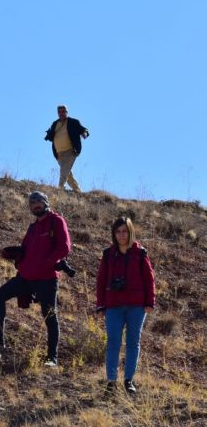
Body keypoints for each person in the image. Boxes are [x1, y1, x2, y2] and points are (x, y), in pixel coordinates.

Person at [0, 191, 71, 367]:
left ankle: (52, 357)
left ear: (46, 203)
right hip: (25, 278)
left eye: (38, 201)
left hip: (47, 279)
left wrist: (47, 262)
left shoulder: (56, 221)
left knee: (50, 316)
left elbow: (65, 247)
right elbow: (25, 250)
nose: (35, 205)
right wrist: (17, 257)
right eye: (32, 203)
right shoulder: (33, 227)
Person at [96, 217, 155, 395]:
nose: (121, 235)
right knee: (113, 342)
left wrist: (149, 302)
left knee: (133, 342)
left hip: (136, 306)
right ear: (114, 234)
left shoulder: (140, 253)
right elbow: (101, 281)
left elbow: (149, 279)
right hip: (113, 305)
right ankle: (111, 382)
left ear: (130, 232)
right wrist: (100, 304)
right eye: (118, 231)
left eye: (124, 231)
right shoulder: (108, 254)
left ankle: (129, 380)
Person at [44, 105, 89, 193]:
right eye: (60, 112)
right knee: (68, 174)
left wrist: (84, 134)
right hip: (58, 153)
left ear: (67, 112)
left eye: (63, 111)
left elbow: (84, 130)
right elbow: (51, 135)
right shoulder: (55, 123)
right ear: (57, 113)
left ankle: (60, 189)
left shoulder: (73, 122)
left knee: (64, 170)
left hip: (71, 151)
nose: (61, 114)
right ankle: (78, 191)